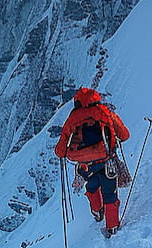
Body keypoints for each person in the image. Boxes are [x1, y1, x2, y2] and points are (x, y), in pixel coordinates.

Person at [54, 87, 130, 236]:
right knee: (110, 192)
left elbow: (60, 150)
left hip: (85, 165)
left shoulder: (73, 118)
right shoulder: (104, 113)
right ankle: (112, 226)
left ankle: (97, 210)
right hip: (106, 160)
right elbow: (124, 135)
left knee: (92, 185)